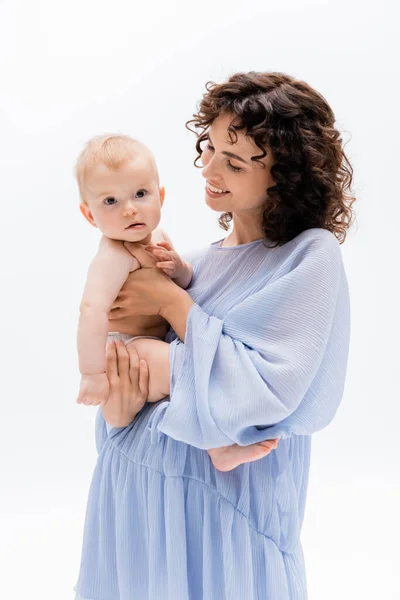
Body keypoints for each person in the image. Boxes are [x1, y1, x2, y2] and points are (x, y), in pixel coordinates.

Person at [74, 71, 354, 600]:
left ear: (285, 177)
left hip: (224, 521)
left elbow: (267, 392)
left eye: (235, 160)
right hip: (139, 502)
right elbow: (128, 397)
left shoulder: (309, 257)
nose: (208, 168)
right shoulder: (193, 265)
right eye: (210, 148)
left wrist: (171, 304)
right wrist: (116, 413)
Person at [75, 133, 278, 470]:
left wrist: (179, 268)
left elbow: (184, 284)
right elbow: (91, 310)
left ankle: (218, 433)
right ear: (90, 215)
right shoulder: (113, 255)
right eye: (110, 201)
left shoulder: (156, 237)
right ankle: (219, 446)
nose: (129, 209)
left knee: (189, 370)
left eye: (140, 194)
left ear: (161, 196)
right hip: (126, 350)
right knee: (183, 368)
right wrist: (92, 374)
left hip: (151, 343)